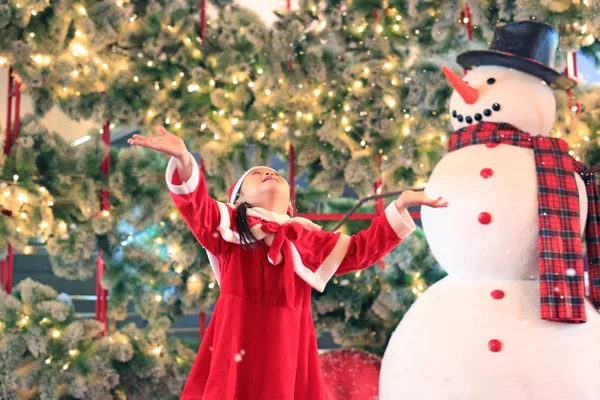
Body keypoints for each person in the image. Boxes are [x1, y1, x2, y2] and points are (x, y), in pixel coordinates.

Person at [128, 126, 448, 400]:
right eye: (256, 174)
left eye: (277, 174)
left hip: (288, 349)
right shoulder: (229, 230)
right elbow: (197, 207)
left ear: (292, 206)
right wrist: (184, 159)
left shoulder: (304, 240)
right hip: (237, 342)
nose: (270, 173)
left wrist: (401, 204)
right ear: (237, 200)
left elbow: (360, 249)